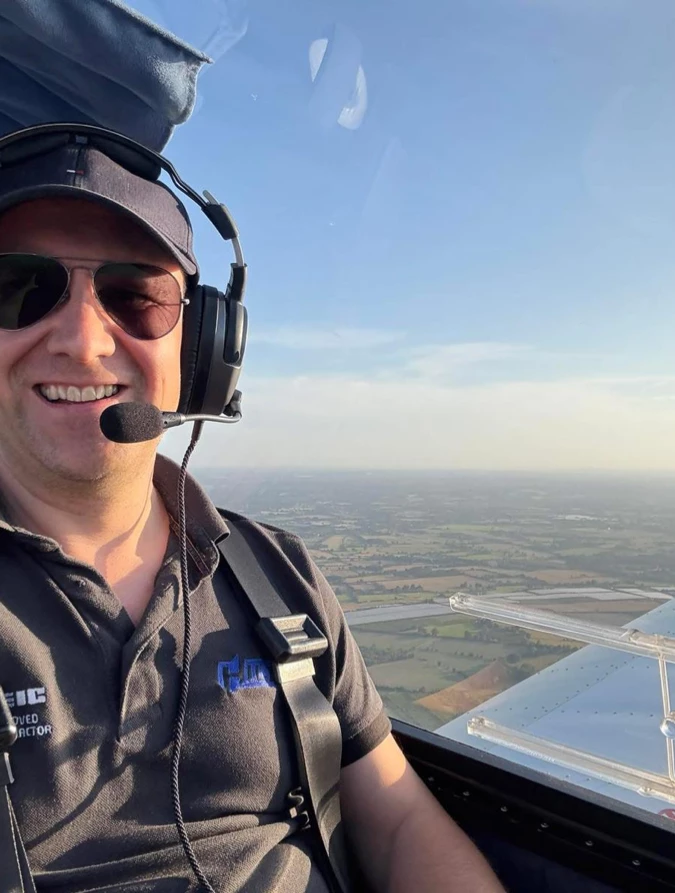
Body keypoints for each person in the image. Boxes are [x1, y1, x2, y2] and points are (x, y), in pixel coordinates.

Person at [0, 133, 505, 892]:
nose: (80, 338)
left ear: (202, 346)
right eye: (19, 288)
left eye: (135, 296)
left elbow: (400, 825)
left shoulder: (277, 572)